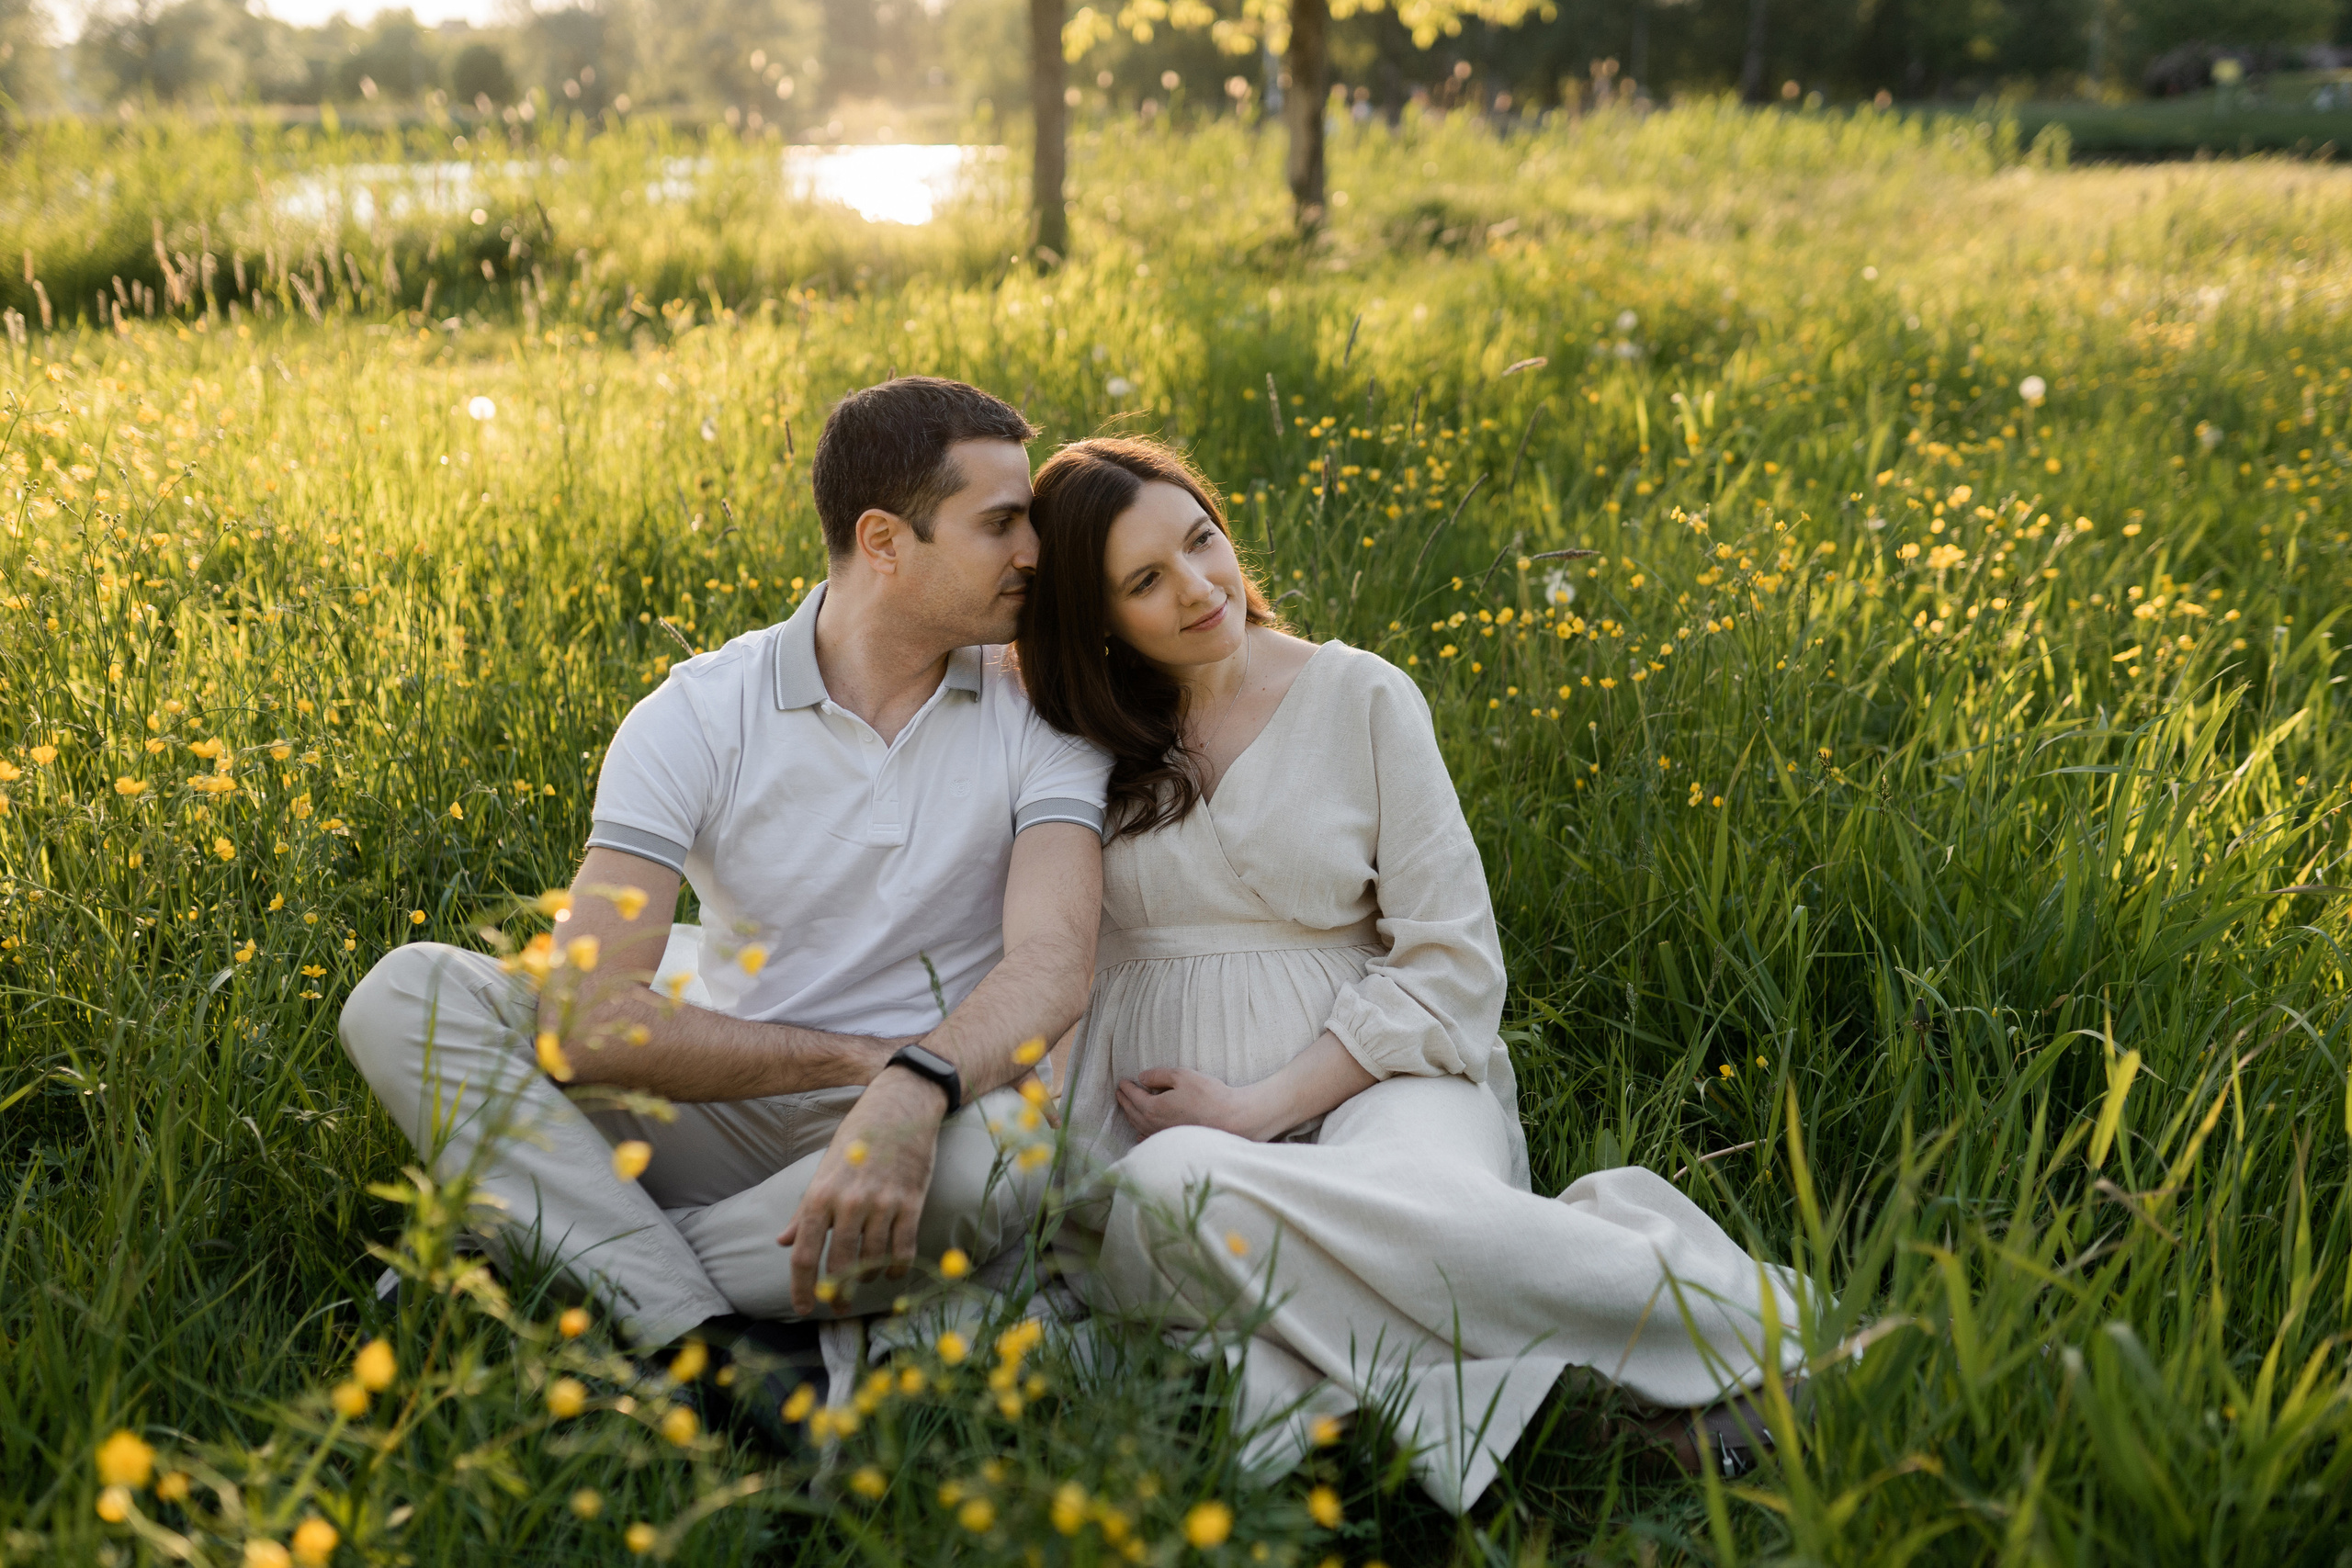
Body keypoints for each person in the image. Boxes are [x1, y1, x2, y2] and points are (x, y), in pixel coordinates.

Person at [1016, 436, 1805, 1513]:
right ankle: (1596, 1332)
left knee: (1417, 1203)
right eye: (1145, 582)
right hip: (1159, 1129)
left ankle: (1769, 1332)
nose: (1200, 588)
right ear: (1092, 617)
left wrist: (1260, 1106)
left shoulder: (1360, 696)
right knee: (1166, 1193)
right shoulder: (1061, 739)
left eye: (1202, 540)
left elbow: (1451, 965)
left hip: (1384, 1077)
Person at [340, 378, 1112, 1417]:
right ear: (884, 541)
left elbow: (1053, 963)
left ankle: (531, 1266)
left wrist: (915, 1086)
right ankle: (698, 1337)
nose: (1035, 551)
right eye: (1001, 523)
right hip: (726, 1095)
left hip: (943, 1105)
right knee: (408, 993)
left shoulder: (1042, 711)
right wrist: (862, 1065)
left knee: (1007, 1167)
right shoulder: (698, 712)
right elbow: (587, 1022)